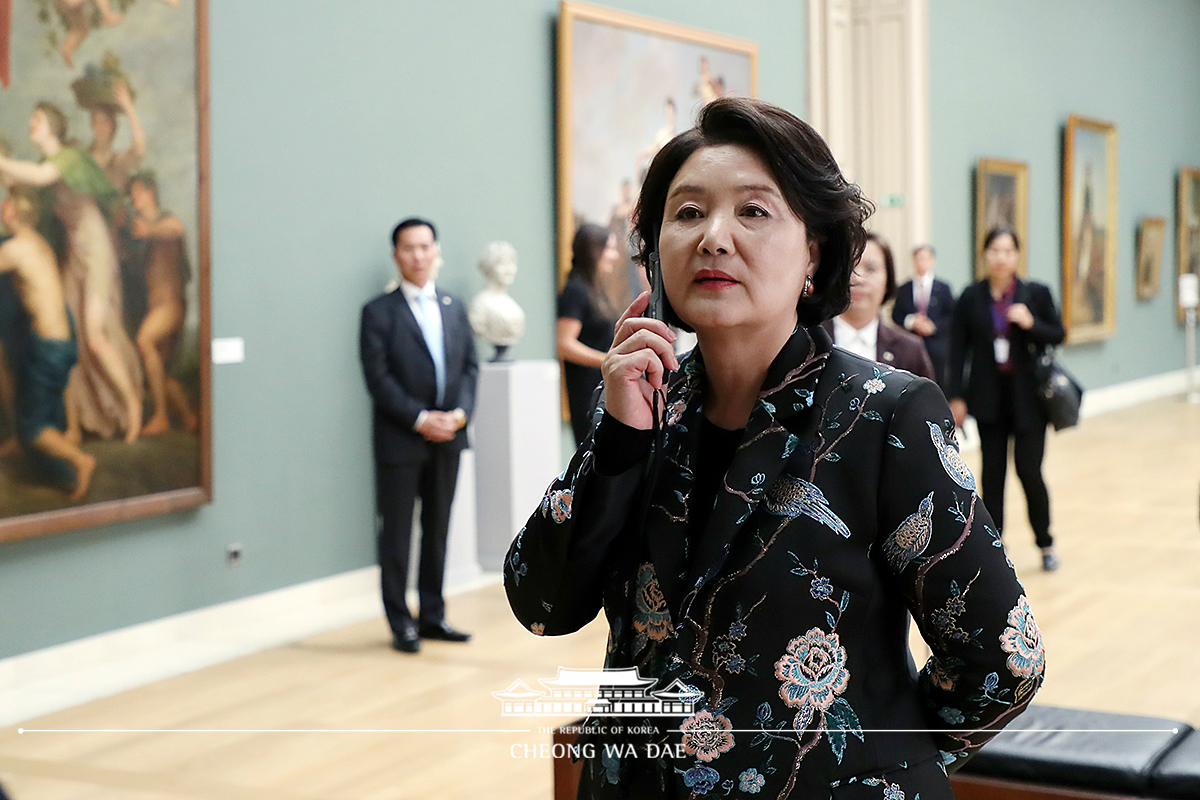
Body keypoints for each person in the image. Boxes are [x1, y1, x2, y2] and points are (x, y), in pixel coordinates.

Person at [506, 99, 1043, 798]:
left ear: (814, 254)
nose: (714, 238)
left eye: (754, 212)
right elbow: (542, 602)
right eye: (689, 213)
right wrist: (616, 443)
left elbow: (1002, 658)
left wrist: (879, 770)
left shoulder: (884, 414)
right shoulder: (643, 405)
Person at [360, 218, 478, 654]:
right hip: (401, 441)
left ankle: (432, 616)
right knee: (396, 536)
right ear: (396, 255)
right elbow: (378, 379)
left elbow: (470, 368)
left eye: (425, 247)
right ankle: (400, 622)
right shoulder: (377, 312)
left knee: (438, 529)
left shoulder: (454, 305)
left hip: (449, 438)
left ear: (436, 252)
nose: (418, 255)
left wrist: (460, 415)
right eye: (409, 248)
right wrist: (421, 418)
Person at [0, 102, 143, 443]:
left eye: (37, 120)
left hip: (95, 250)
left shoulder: (69, 158)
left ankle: (133, 406)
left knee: (93, 337)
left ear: (53, 126)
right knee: (69, 335)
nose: (31, 124)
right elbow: (17, 179)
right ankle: (75, 425)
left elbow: (36, 178)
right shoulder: (47, 163)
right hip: (75, 253)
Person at [948, 226, 1065, 572]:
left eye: (1008, 251)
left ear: (1017, 255)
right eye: (994, 250)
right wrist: (955, 396)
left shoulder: (1036, 293)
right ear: (985, 254)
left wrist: (1031, 323)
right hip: (988, 401)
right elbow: (957, 351)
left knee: (1030, 471)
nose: (1001, 257)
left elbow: (1058, 334)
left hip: (1030, 401)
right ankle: (995, 546)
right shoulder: (970, 297)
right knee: (992, 476)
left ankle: (1045, 542)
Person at [0, 191, 94, 499]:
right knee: (35, 410)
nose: (2, 207)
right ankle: (62, 446)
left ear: (14, 213)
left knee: (33, 429)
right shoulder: (37, 242)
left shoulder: (15, 249)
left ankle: (81, 462)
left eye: (6, 204)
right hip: (61, 341)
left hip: (49, 346)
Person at [127, 171, 197, 435]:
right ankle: (189, 418)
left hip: (171, 304)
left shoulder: (165, 220)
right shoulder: (139, 233)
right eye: (132, 192)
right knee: (162, 373)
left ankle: (161, 417)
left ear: (151, 192)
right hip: (156, 306)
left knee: (144, 341)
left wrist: (149, 230)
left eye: (138, 190)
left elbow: (175, 229)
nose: (134, 196)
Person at [826, 231, 935, 380]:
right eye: (849, 267)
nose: (858, 279)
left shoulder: (910, 349)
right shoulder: (809, 342)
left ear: (888, 280)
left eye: (871, 269)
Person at [557, 222, 620, 445]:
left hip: (604, 389)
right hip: (587, 395)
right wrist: (606, 360)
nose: (614, 255)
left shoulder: (595, 290)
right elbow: (564, 344)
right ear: (594, 251)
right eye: (609, 249)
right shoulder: (576, 290)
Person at [892, 243, 954, 387]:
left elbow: (951, 316)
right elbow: (896, 315)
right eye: (918, 259)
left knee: (937, 384)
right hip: (910, 345)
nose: (922, 262)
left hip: (936, 347)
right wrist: (911, 321)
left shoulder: (943, 288)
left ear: (932, 261)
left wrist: (933, 326)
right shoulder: (904, 288)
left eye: (925, 258)